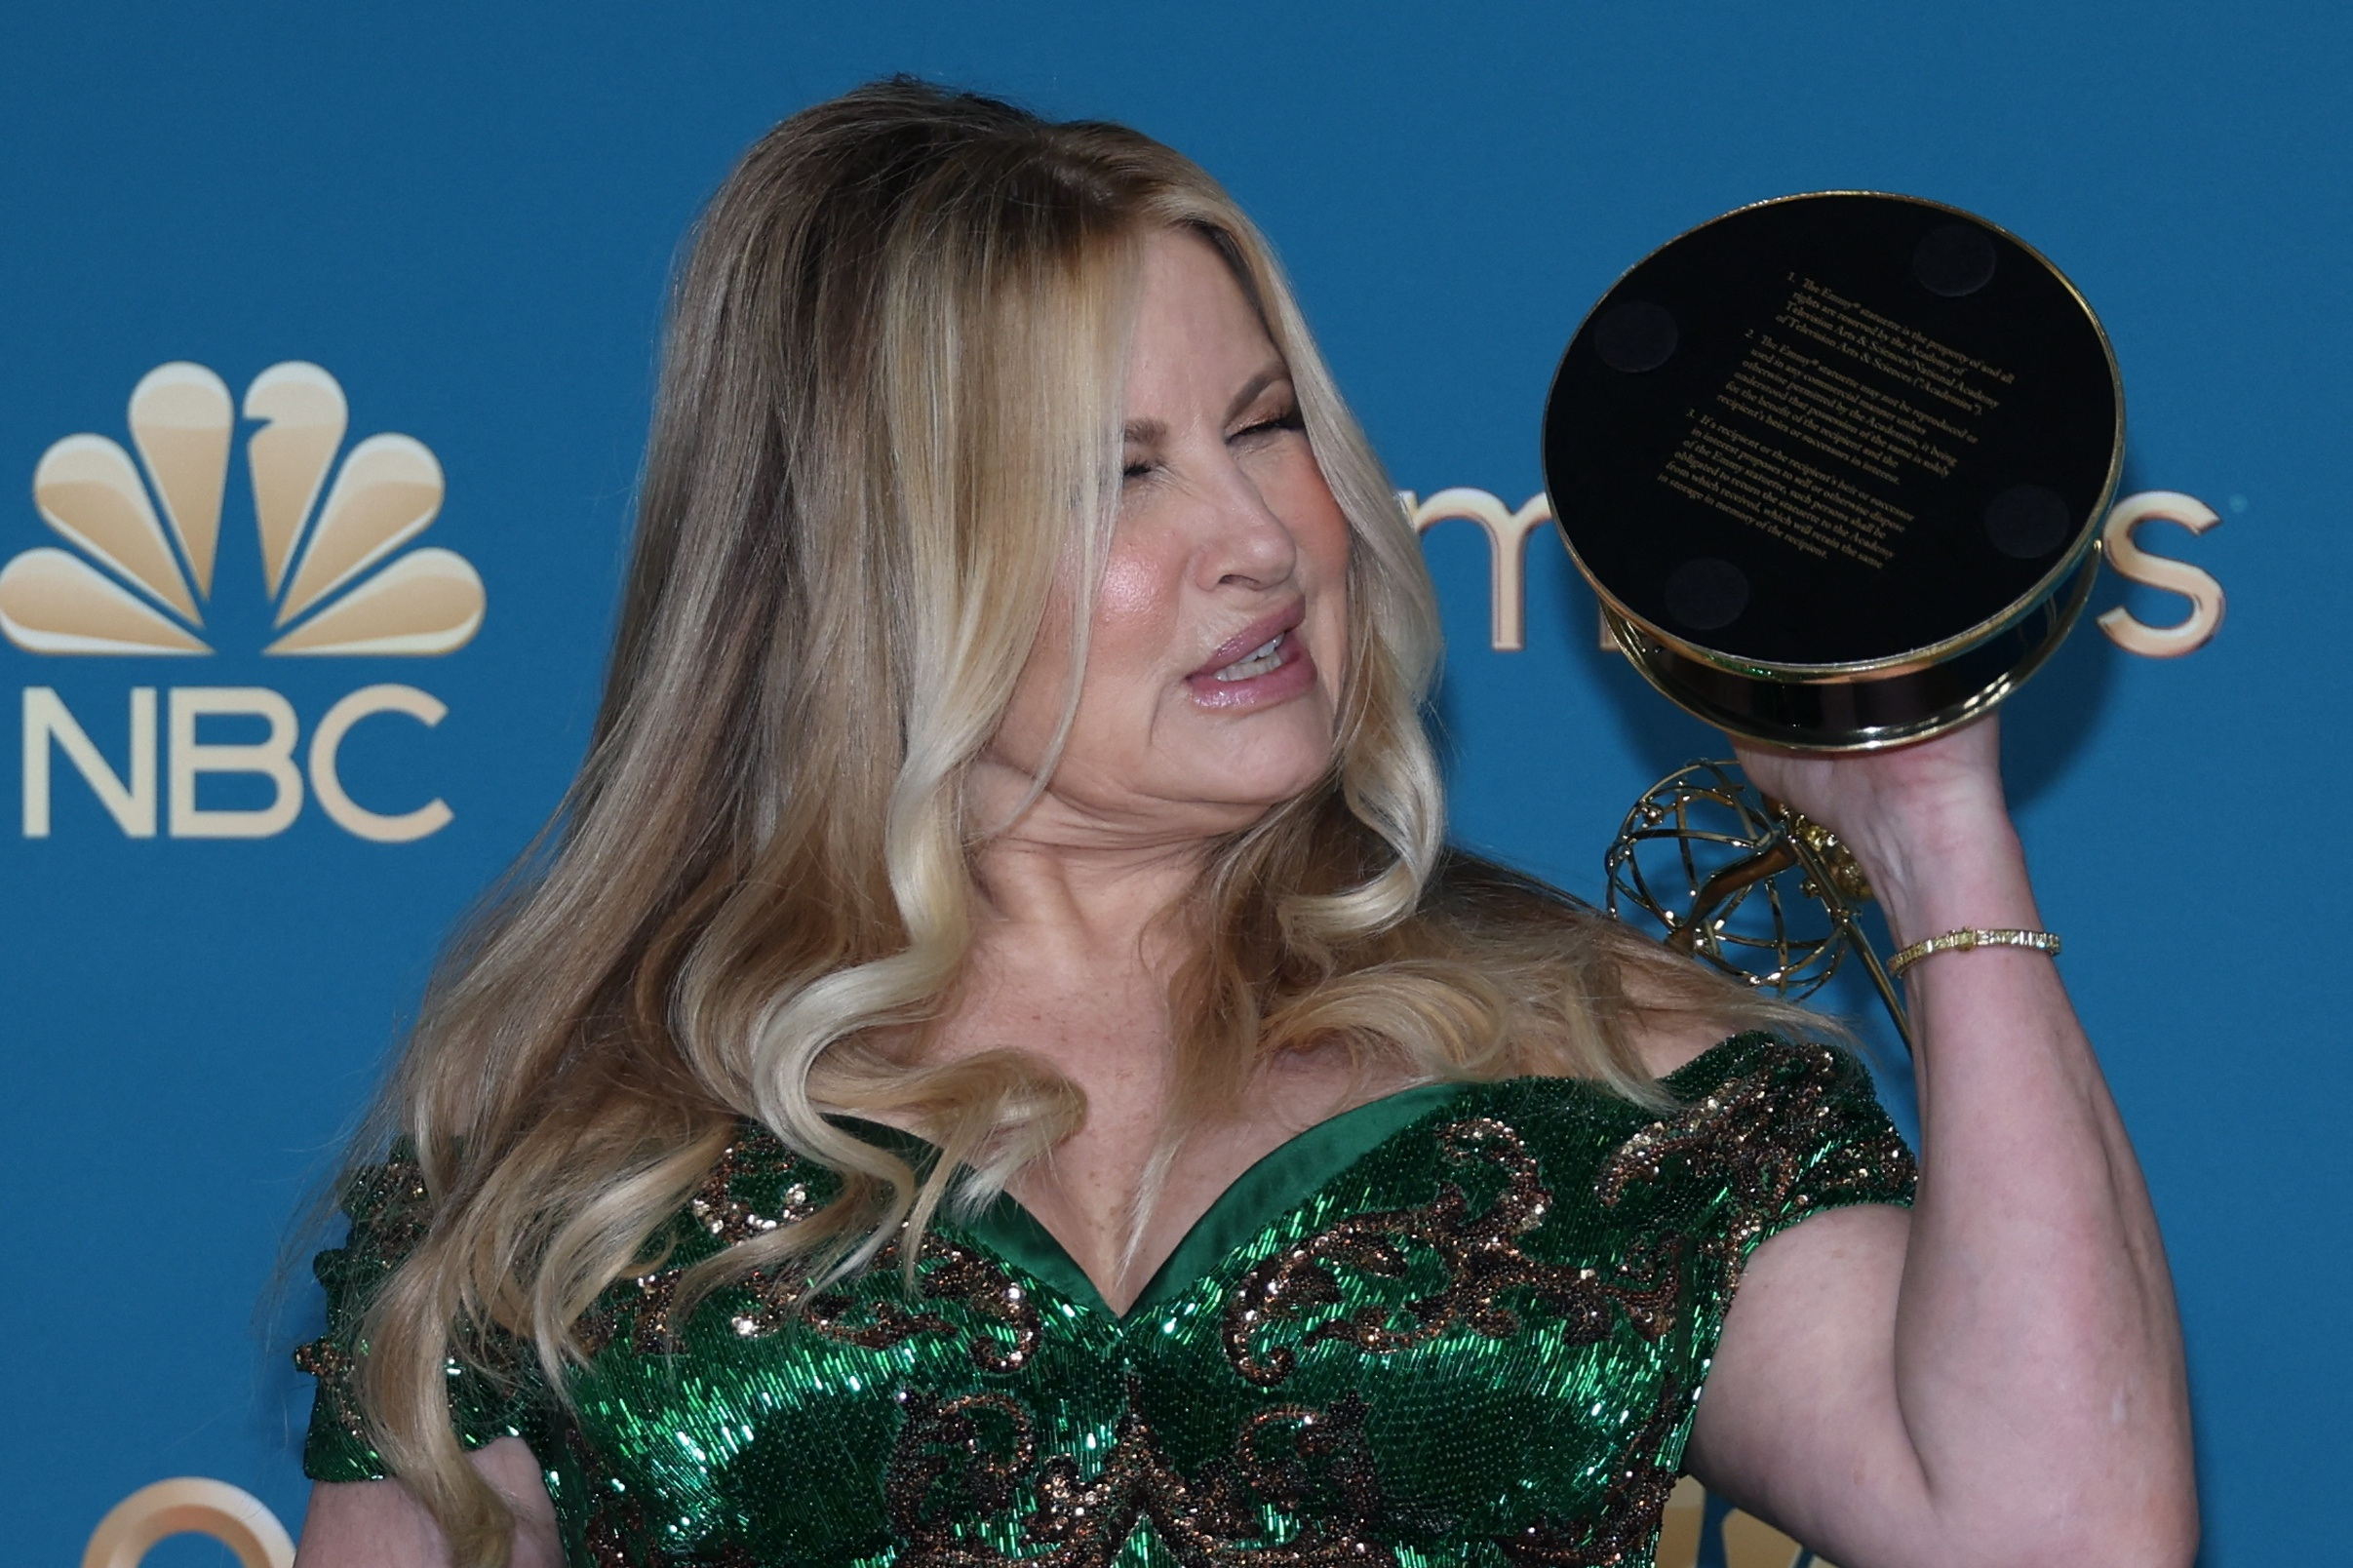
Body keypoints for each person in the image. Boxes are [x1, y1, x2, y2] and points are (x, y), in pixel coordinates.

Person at [292, 79, 2195, 1568]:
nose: (1264, 541)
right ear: (875, 573)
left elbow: (2057, 1528)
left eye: (1265, 424)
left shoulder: (1613, 1062)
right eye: (1118, 476)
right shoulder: (581, 1139)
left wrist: (1927, 818)